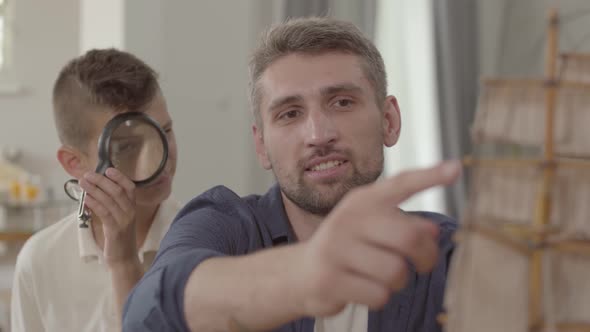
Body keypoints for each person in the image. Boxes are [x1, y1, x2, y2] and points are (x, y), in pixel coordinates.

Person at [123, 17, 461, 332]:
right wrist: (299, 275)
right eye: (290, 114)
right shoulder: (223, 224)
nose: (318, 134)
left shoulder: (446, 253)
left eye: (342, 102)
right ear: (261, 144)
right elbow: (145, 312)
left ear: (389, 121)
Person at [11, 49, 179, 331]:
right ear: (75, 163)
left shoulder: (205, 240)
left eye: (166, 131)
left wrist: (125, 263)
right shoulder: (39, 260)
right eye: (127, 146)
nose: (159, 159)